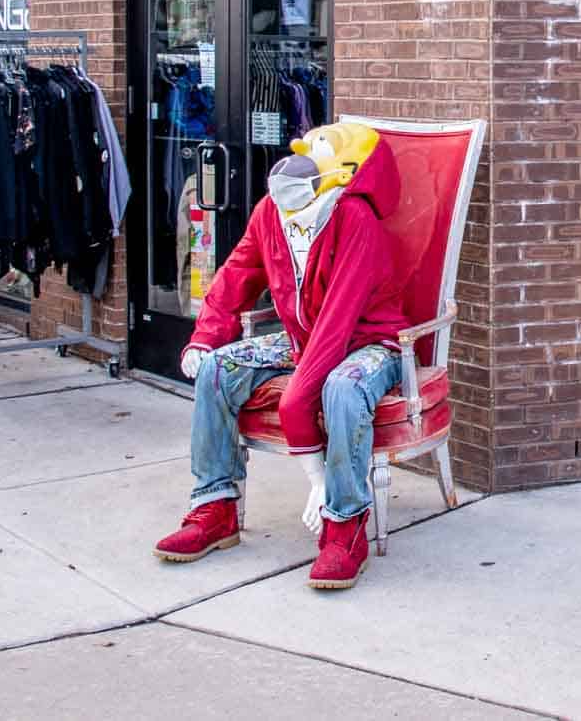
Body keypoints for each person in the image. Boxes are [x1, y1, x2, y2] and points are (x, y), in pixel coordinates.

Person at [152, 121, 405, 591]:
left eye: (318, 148)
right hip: (303, 339)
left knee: (343, 388)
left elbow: (338, 321)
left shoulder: (355, 220)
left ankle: (345, 525)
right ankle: (215, 506)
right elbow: (237, 274)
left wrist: (304, 436)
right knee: (216, 369)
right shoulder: (272, 211)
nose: (303, 152)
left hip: (368, 342)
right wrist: (206, 338)